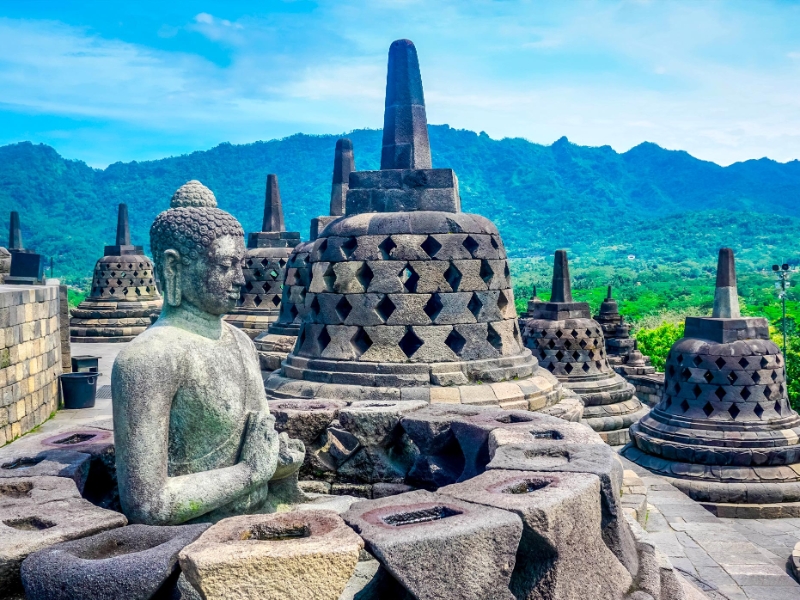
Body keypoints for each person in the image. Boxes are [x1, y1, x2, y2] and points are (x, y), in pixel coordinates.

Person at [112, 180, 304, 525]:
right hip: (190, 541)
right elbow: (148, 504)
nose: (240, 279)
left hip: (257, 520)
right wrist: (249, 473)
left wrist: (280, 460)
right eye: (224, 266)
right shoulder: (147, 360)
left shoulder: (242, 343)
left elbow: (260, 442)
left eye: (240, 265)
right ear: (174, 267)